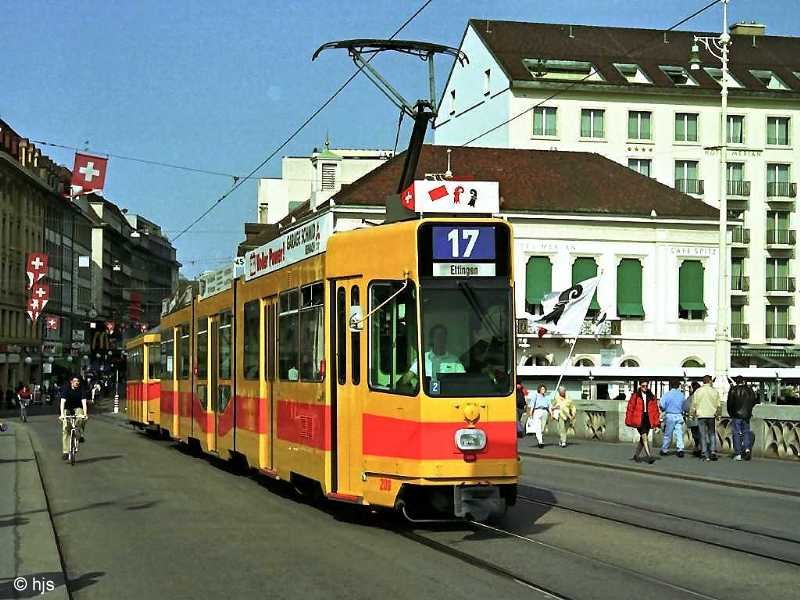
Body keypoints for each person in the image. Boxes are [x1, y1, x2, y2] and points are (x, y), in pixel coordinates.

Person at [403, 325, 465, 391]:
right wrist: (414, 383)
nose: (441, 339)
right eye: (438, 336)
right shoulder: (423, 358)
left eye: (443, 336)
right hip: (426, 396)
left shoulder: (454, 360)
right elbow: (406, 380)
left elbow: (463, 380)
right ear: (432, 339)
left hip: (448, 396)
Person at [625, 381, 660, 464]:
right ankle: (649, 456)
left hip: (648, 418)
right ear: (640, 386)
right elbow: (630, 408)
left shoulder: (651, 396)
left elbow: (655, 410)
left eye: (646, 386)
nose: (645, 387)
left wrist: (656, 422)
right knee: (644, 437)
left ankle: (636, 456)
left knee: (643, 438)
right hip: (639, 419)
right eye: (643, 386)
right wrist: (629, 420)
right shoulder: (635, 396)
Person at [690, 375, 721, 462]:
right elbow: (718, 405)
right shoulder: (714, 392)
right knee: (712, 433)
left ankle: (704, 452)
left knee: (702, 434)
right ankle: (713, 451)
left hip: (701, 415)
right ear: (710, 381)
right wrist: (718, 415)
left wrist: (692, 414)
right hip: (711, 415)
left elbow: (693, 404)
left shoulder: (698, 391)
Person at [727, 376, 758, 461]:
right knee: (746, 432)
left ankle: (738, 453)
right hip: (746, 415)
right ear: (743, 381)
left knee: (736, 433)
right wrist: (749, 410)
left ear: (736, 382)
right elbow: (754, 400)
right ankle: (747, 449)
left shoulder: (733, 390)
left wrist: (731, 413)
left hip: (736, 415)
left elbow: (729, 403)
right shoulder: (749, 390)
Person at [60, 376, 89, 461]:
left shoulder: (81, 389)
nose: (77, 383)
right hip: (67, 408)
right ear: (71, 382)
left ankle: (79, 432)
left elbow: (84, 403)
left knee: (81, 417)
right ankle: (65, 452)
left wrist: (85, 414)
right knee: (65, 429)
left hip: (77, 407)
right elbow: (62, 402)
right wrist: (62, 415)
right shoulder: (66, 389)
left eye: (78, 381)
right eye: (75, 381)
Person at [659, 380, 686, 457]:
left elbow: (662, 405)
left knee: (668, 434)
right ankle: (680, 449)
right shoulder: (681, 395)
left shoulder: (667, 395)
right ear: (678, 386)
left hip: (670, 415)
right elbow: (684, 406)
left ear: (670, 386)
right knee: (679, 433)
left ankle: (665, 449)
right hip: (679, 415)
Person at [527, 384, 551, 448]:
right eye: (542, 389)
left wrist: (551, 413)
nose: (543, 390)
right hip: (537, 411)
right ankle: (540, 441)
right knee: (538, 427)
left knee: (542, 428)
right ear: (539, 390)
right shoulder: (536, 396)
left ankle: (540, 437)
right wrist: (530, 412)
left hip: (545, 411)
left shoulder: (547, 397)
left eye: (544, 389)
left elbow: (549, 406)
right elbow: (532, 404)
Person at [684, 381, 703, 457]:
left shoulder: (691, 397)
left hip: (692, 420)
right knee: (701, 435)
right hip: (701, 418)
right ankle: (701, 449)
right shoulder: (702, 396)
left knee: (696, 436)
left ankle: (697, 448)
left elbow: (685, 407)